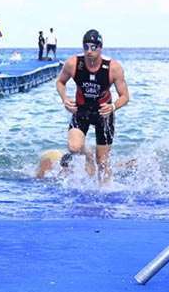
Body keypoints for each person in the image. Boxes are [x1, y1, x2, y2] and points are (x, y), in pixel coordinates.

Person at [56, 30, 130, 183]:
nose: (89, 51)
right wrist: (64, 99)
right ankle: (87, 154)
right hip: (81, 110)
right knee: (74, 147)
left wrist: (113, 107)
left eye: (93, 47)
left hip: (104, 114)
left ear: (100, 47)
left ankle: (105, 193)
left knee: (102, 162)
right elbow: (60, 82)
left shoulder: (113, 68)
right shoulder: (73, 63)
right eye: (86, 47)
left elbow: (125, 96)